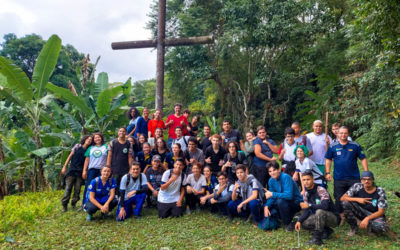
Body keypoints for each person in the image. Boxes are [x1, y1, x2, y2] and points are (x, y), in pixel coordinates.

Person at [325, 126, 368, 219]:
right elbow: (328, 159)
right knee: (338, 198)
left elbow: (363, 158)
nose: (343, 135)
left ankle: (357, 216)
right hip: (339, 178)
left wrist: (366, 173)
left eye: (345, 133)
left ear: (348, 134)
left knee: (356, 196)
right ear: (337, 134)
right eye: (341, 133)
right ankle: (341, 217)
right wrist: (327, 173)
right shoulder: (333, 146)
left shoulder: (355, 145)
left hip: (354, 177)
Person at [295, 171, 340, 246]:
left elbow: (325, 206)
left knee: (319, 212)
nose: (306, 182)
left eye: (308, 179)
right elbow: (306, 211)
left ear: (313, 180)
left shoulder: (320, 189)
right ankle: (327, 230)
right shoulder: (306, 193)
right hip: (320, 217)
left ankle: (317, 239)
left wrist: (309, 205)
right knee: (304, 222)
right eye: (304, 180)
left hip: (333, 218)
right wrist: (299, 221)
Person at [341, 171, 388, 236]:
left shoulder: (380, 191)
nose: (366, 181)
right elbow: (343, 198)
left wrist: (367, 218)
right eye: (364, 179)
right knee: (345, 203)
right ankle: (353, 228)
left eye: (369, 179)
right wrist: (358, 199)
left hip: (373, 214)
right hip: (360, 211)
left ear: (373, 180)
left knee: (381, 228)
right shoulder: (357, 186)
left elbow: (381, 211)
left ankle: (370, 227)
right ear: (361, 180)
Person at [264, 161, 303, 231]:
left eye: (274, 170)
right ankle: (288, 217)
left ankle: (289, 222)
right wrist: (266, 206)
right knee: (273, 204)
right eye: (270, 171)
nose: (272, 173)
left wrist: (272, 194)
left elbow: (289, 195)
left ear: (279, 169)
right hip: (285, 201)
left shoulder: (285, 177)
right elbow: (271, 197)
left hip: (296, 202)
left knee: (280, 201)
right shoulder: (271, 180)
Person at [61, 135, 93, 212]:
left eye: (90, 140)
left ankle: (73, 204)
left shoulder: (90, 150)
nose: (89, 140)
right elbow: (70, 156)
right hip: (71, 171)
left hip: (80, 172)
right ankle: (64, 205)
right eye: (88, 139)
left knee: (77, 190)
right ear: (84, 139)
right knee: (68, 189)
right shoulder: (77, 146)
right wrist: (64, 166)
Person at [82, 132, 108, 205]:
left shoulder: (106, 147)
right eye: (95, 138)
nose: (97, 139)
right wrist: (84, 170)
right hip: (92, 170)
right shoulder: (91, 148)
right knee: (89, 186)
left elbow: (109, 158)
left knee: (101, 186)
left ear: (101, 138)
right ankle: (85, 203)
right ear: (94, 139)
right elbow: (87, 160)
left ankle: (100, 203)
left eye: (99, 137)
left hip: (101, 170)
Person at [107, 127, 133, 196]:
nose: (122, 132)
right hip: (114, 167)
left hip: (125, 167)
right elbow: (109, 155)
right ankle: (114, 198)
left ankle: (121, 198)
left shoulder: (128, 143)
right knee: (114, 183)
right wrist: (108, 166)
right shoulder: (113, 142)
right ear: (118, 133)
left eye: (123, 131)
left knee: (124, 183)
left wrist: (131, 168)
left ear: (126, 133)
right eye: (120, 131)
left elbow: (129, 157)